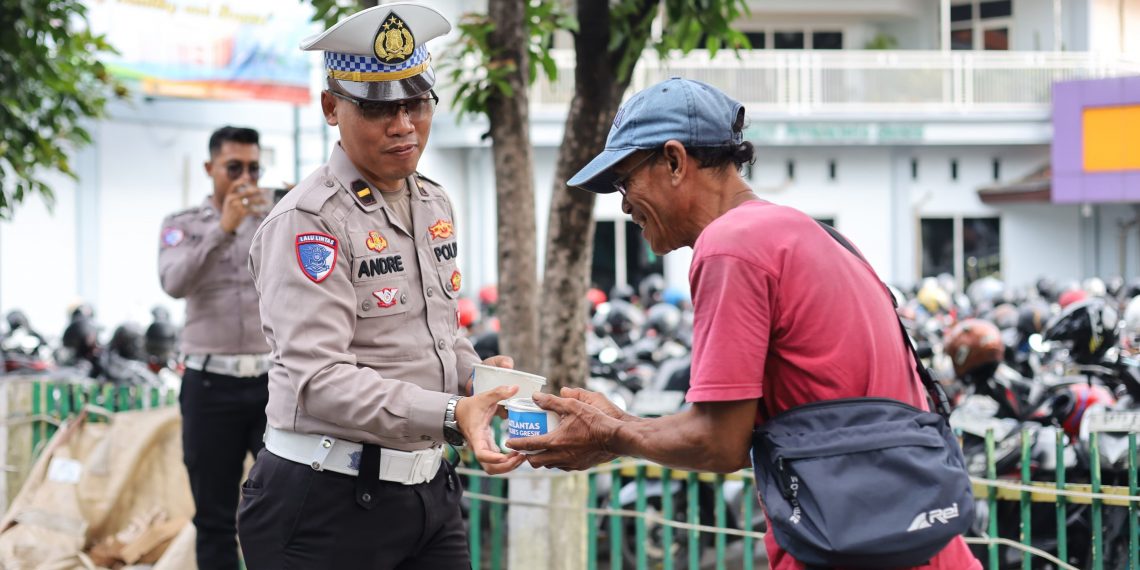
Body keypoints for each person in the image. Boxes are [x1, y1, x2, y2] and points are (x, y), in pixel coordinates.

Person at [507, 78, 979, 570]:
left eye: (626, 182)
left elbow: (719, 443)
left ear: (674, 161)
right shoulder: (817, 235)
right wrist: (618, 423)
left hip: (853, 548)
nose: (624, 205)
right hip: (919, 539)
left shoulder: (730, 245)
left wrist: (607, 435)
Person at [237, 4, 523, 568]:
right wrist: (449, 413)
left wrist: (480, 379)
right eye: (377, 108)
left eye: (415, 103)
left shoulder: (432, 201)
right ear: (330, 107)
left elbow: (439, 334)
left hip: (428, 493)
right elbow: (318, 379)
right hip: (324, 501)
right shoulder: (309, 220)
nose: (403, 125)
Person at [157, 125, 271, 569]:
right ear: (210, 169)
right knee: (215, 517)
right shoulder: (183, 225)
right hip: (209, 385)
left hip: (269, 382)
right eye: (234, 167)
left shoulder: (274, 219)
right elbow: (174, 282)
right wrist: (223, 228)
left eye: (254, 168)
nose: (245, 178)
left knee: (283, 506)